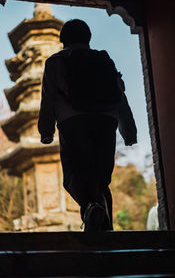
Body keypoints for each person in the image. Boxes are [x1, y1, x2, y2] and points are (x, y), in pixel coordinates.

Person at [38, 19, 137, 231]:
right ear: (88, 37)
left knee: (75, 173)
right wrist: (129, 130)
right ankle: (104, 225)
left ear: (62, 39)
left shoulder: (56, 61)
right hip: (106, 120)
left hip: (72, 120)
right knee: (102, 176)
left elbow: (48, 98)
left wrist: (46, 131)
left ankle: (92, 209)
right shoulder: (103, 59)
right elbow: (119, 93)